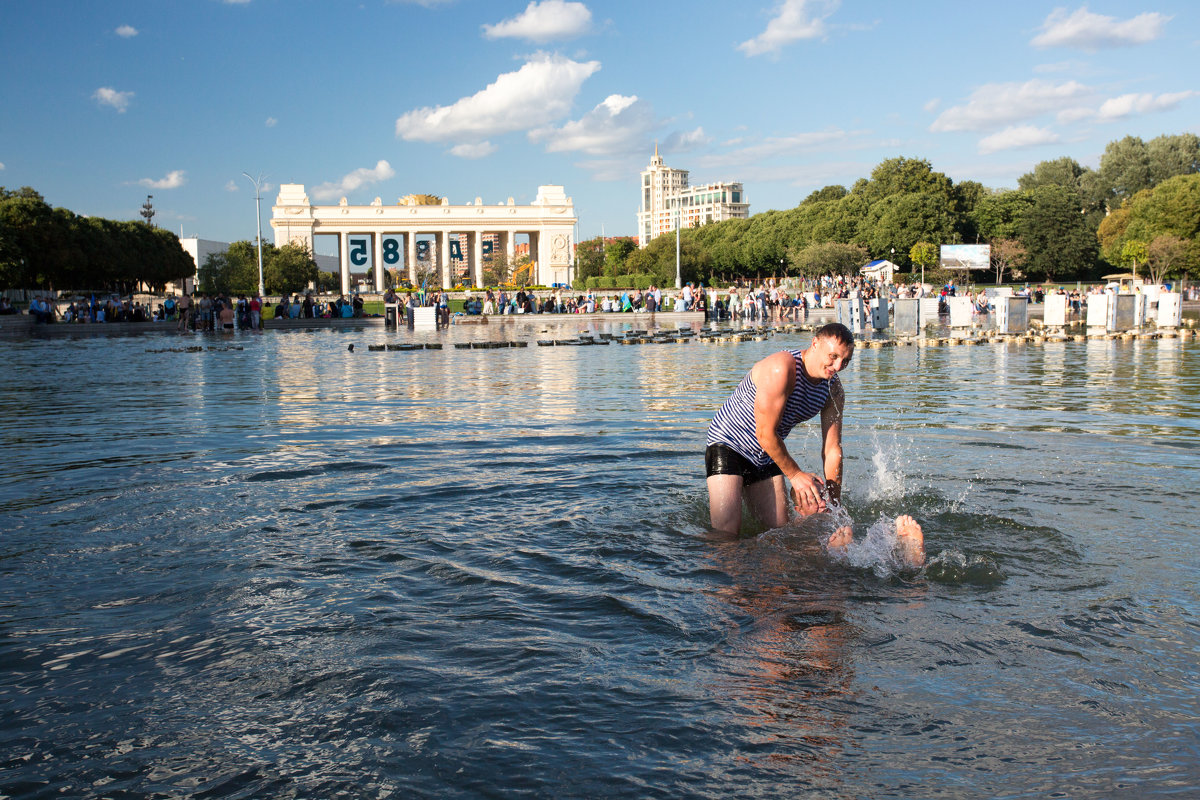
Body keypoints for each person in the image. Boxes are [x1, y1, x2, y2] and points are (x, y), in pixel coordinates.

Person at [706, 322, 854, 535]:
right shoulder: (782, 368)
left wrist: (835, 503)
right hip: (729, 444)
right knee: (726, 535)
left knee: (780, 532)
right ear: (815, 344)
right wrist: (794, 474)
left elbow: (832, 450)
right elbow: (764, 433)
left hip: (767, 453)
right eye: (833, 356)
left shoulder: (834, 390)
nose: (838, 366)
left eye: (845, 361)